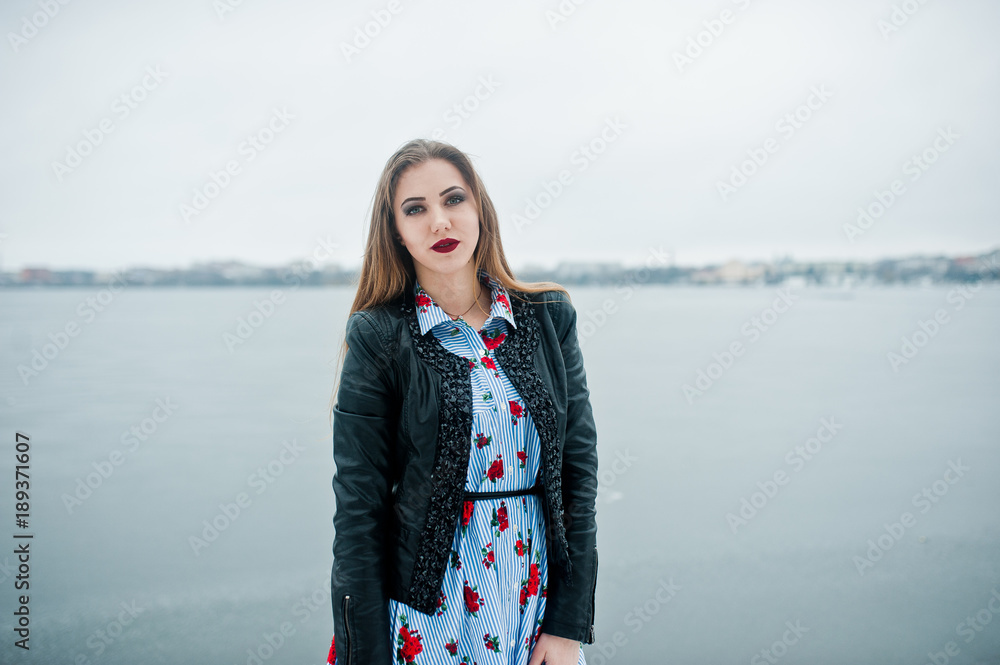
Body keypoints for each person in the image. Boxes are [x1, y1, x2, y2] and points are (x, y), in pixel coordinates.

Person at [326, 138, 599, 665]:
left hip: (534, 610)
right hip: (428, 621)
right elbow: (359, 511)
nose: (439, 222)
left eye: (454, 200)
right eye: (416, 209)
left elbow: (577, 477)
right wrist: (368, 656)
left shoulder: (548, 317)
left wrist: (568, 626)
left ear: (480, 210)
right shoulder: (377, 336)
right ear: (397, 232)